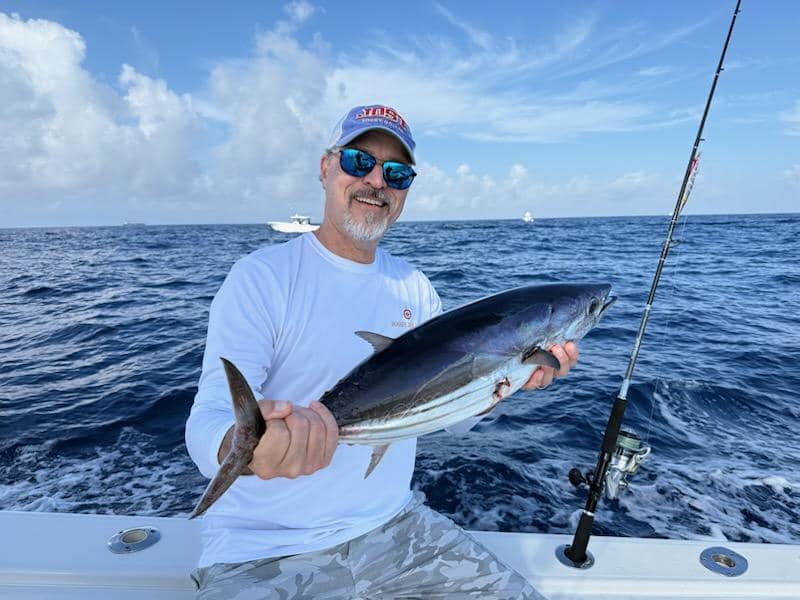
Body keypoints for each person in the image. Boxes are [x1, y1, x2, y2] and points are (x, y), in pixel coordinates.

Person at [186, 104, 579, 599]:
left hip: (396, 528)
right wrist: (246, 448)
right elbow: (207, 420)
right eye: (359, 162)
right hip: (262, 550)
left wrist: (516, 378)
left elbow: (452, 417)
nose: (377, 182)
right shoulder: (261, 278)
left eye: (396, 173)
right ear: (327, 167)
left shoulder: (413, 287)